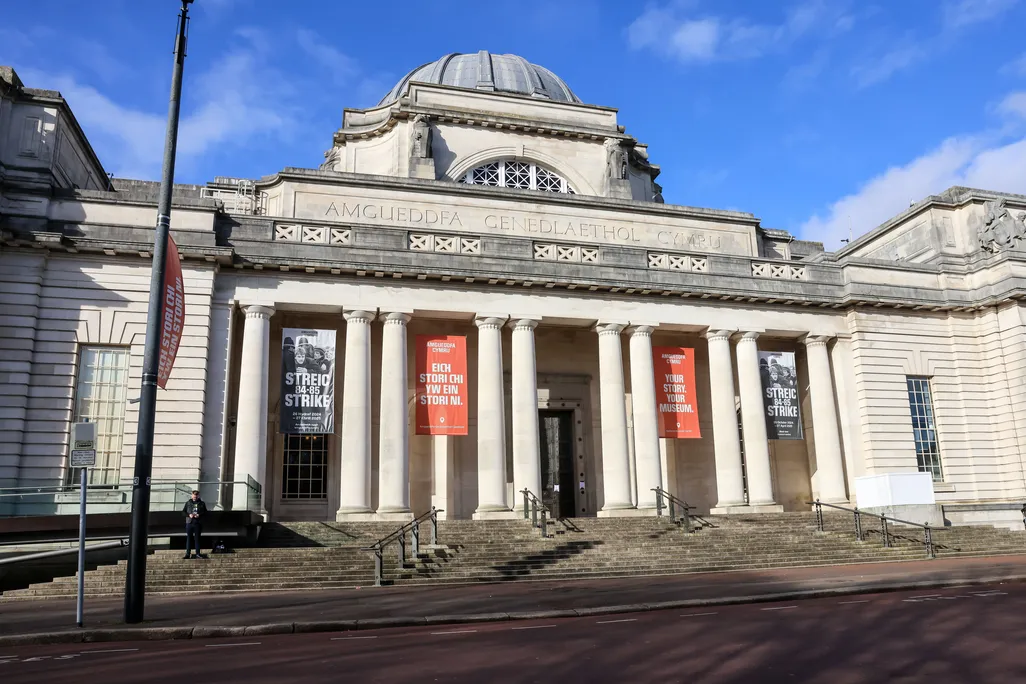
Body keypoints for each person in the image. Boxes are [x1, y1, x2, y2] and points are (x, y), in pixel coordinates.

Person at [182, 490, 208, 559]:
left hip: (197, 523)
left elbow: (205, 512)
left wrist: (199, 515)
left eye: (196, 495)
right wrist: (189, 514)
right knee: (189, 538)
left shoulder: (202, 503)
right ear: (192, 495)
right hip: (189, 522)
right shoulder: (188, 503)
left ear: (198, 496)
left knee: (197, 538)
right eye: (194, 495)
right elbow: (183, 512)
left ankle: (198, 554)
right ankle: (188, 554)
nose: (195, 496)